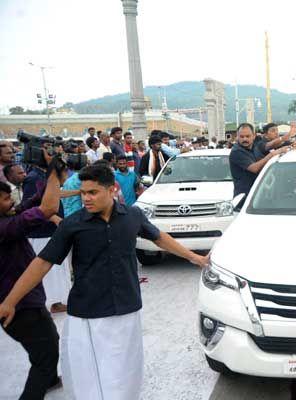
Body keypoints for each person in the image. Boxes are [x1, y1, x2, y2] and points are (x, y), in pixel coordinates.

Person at [0, 164, 209, 400]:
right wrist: (10, 301)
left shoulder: (133, 215)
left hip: (127, 309)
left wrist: (195, 257)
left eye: (93, 192)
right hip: (89, 316)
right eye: (83, 192)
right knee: (91, 379)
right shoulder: (73, 224)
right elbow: (42, 263)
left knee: (125, 372)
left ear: (112, 190)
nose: (86, 198)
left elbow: (159, 238)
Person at [0, 156, 64, 399]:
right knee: (45, 357)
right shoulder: (4, 227)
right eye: (6, 199)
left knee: (48, 343)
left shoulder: (7, 218)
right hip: (18, 306)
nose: (11, 203)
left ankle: (48, 380)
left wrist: (51, 174)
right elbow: (47, 209)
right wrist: (53, 172)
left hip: (27, 302)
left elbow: (36, 202)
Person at [23, 158, 70, 314]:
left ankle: (55, 302)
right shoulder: (33, 178)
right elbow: (33, 205)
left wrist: (79, 192)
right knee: (45, 269)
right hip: (41, 232)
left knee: (56, 269)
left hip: (52, 231)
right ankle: (46, 304)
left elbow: (56, 194)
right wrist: (55, 218)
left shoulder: (45, 176)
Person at [229, 123, 290, 200]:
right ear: (237, 137)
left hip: (259, 196)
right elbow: (254, 168)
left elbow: (270, 145)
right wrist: (272, 154)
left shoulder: (255, 146)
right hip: (244, 198)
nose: (245, 139)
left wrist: (290, 145)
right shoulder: (237, 151)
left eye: (248, 136)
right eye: (241, 137)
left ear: (254, 136)